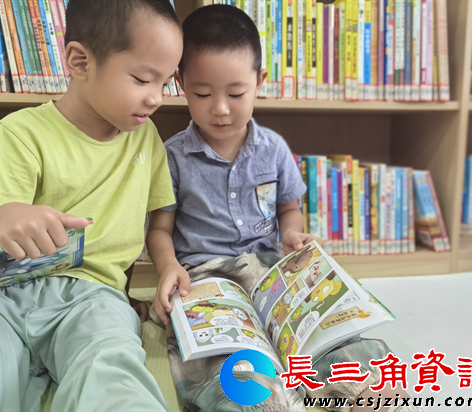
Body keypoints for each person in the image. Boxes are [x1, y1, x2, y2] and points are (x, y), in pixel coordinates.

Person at [146, 5, 422, 412]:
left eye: (236, 94)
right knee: (230, 364)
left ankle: (364, 387)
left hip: (272, 273)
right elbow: (160, 228)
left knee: (327, 335)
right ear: (180, 84)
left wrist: (292, 232)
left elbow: (289, 209)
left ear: (259, 83)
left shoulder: (273, 149)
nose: (220, 108)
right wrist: (169, 266)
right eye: (202, 94)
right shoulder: (172, 156)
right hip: (205, 276)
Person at [0, 0, 182, 410]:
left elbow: (147, 227)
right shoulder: (18, 135)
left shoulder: (146, 139)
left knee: (116, 379)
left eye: (166, 83)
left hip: (95, 299)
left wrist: (161, 271)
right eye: (142, 79)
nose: (156, 98)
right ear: (80, 62)